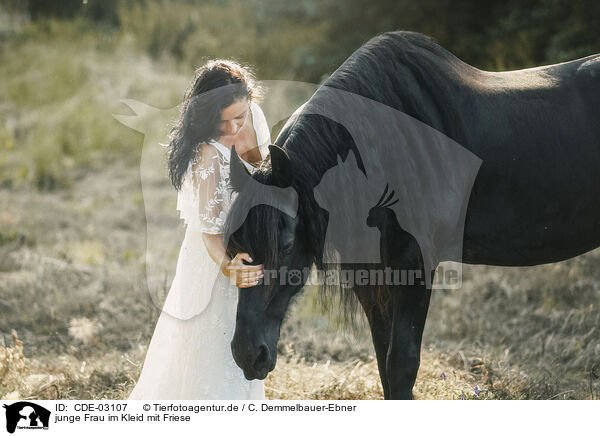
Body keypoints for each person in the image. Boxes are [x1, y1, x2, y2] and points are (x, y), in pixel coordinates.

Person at [128, 60, 269, 399]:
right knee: (214, 350)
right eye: (225, 123)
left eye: (241, 116)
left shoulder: (255, 116)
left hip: (248, 247)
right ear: (207, 120)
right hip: (215, 261)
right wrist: (228, 267)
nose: (236, 127)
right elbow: (209, 232)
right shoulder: (207, 154)